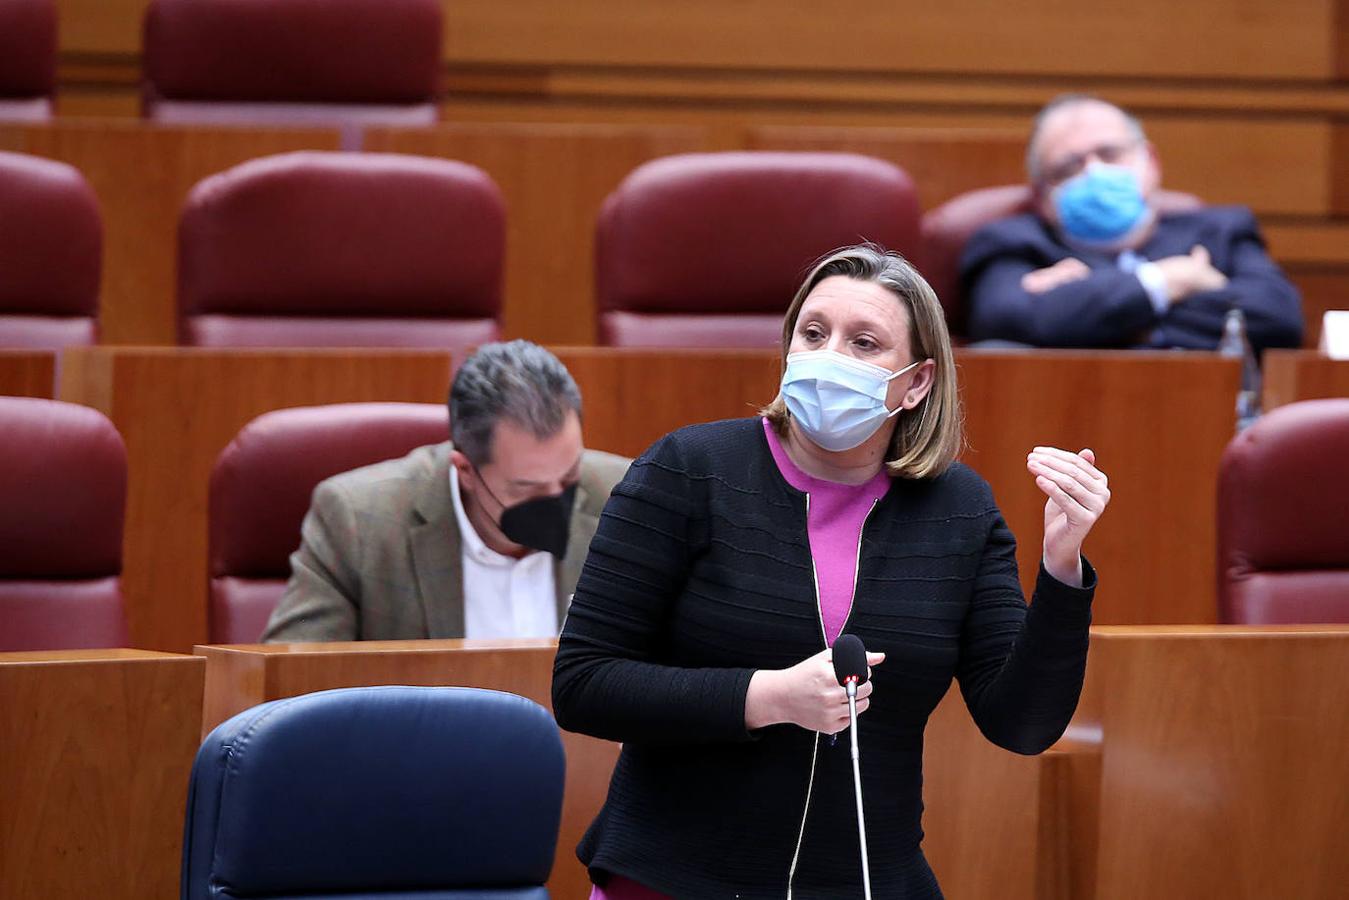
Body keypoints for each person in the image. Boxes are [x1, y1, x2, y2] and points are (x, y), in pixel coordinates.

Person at [553, 245, 1111, 899]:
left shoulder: (959, 509)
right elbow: (584, 683)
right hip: (676, 878)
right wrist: (767, 698)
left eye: (863, 342)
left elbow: (1021, 725)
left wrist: (1060, 564)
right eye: (812, 334)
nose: (827, 357)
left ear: (916, 382)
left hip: (868, 881)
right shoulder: (688, 469)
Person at [262, 340, 630, 642]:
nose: (557, 504)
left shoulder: (629, 500)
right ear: (466, 470)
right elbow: (289, 688)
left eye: (569, 478)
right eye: (526, 488)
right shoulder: (358, 522)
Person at [961, 94, 1303, 352]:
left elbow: (1278, 319)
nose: (1094, 172)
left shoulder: (1221, 232)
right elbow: (1005, 322)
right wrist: (1170, 279)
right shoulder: (1011, 241)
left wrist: (1086, 315)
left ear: (1150, 161)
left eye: (1110, 154)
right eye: (1068, 168)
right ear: (1041, 196)